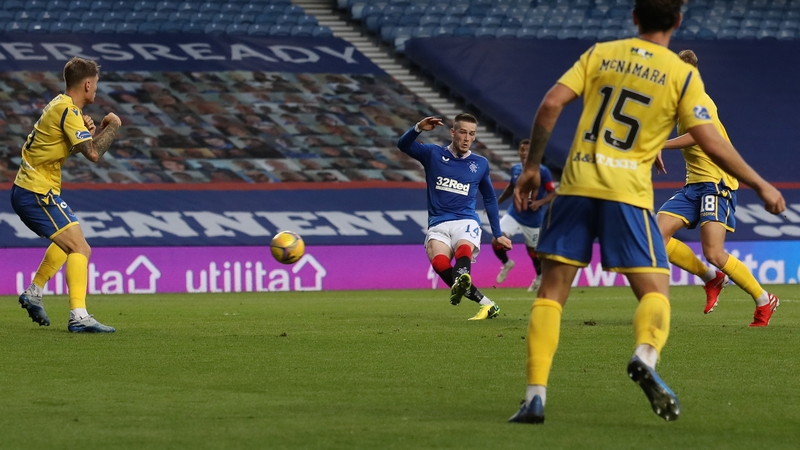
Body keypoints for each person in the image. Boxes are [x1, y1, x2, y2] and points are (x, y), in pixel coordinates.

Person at [508, 0, 785, 424]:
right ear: (677, 21)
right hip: (627, 194)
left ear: (634, 17)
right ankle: (645, 354)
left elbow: (550, 104)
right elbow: (712, 141)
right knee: (655, 290)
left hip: (578, 184)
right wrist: (761, 183)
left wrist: (531, 167)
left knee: (550, 295)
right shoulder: (681, 76)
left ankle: (535, 397)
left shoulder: (601, 53)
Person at [654, 50, 779, 327]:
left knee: (713, 252)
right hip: (693, 186)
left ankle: (763, 299)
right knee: (654, 236)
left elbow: (699, 135)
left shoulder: (700, 101)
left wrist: (659, 145)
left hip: (715, 184)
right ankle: (711, 278)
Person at [11, 57, 123, 333]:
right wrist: (114, 126)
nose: (95, 90)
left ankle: (35, 291)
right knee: (80, 248)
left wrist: (86, 135)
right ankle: (79, 316)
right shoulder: (68, 111)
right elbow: (94, 155)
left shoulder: (60, 105)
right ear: (87, 84)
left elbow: (69, 148)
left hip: (30, 188)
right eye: (95, 85)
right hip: (36, 191)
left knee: (67, 242)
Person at [397, 114, 512, 320]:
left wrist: (497, 233)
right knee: (439, 262)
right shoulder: (433, 153)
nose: (467, 138)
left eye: (472, 134)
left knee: (463, 248)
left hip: (465, 220)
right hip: (438, 223)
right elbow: (403, 145)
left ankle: (462, 279)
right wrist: (417, 128)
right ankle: (487, 305)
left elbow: (490, 199)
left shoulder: (480, 163)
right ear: (453, 132)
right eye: (462, 132)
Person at [493, 139, 557, 292]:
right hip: (514, 214)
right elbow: (511, 187)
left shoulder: (543, 171)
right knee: (497, 240)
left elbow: (552, 193)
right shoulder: (515, 169)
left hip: (533, 220)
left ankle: (539, 277)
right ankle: (507, 263)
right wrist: (498, 201)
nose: (524, 153)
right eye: (522, 150)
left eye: (528, 150)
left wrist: (539, 203)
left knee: (533, 251)